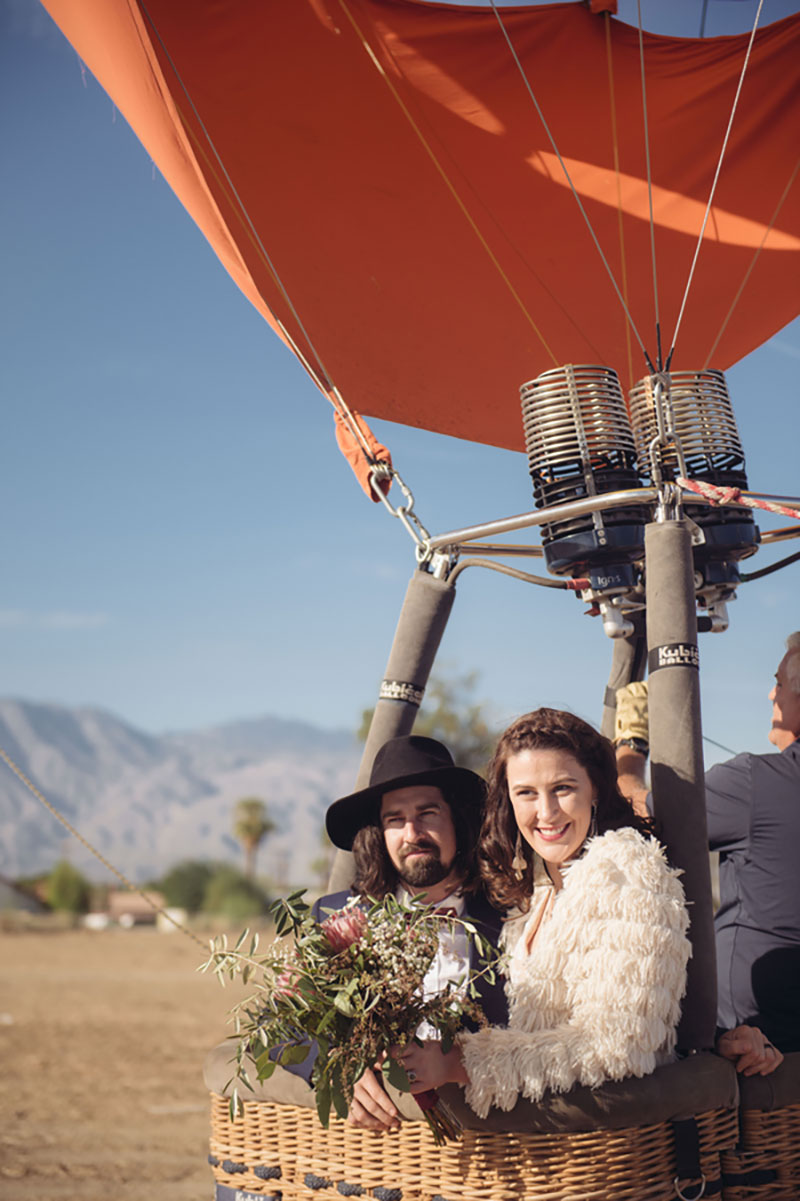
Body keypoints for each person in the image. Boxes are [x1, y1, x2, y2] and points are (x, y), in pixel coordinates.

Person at [394, 708, 691, 1117]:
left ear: (595, 789)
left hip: (612, 1134)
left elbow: (619, 1045)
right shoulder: (529, 885)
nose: (546, 812)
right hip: (541, 1136)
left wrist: (459, 1061)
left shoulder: (628, 873)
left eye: (562, 788)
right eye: (527, 793)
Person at [615, 632, 800, 1060]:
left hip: (751, 1052)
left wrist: (630, 748)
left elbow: (638, 814)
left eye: (779, 683)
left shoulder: (756, 782)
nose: (771, 694)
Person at [314, 733, 508, 1130]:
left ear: (458, 820)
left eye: (428, 813)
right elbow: (287, 1032)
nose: (411, 833)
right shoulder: (338, 918)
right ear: (379, 834)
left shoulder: (514, 918)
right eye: (394, 820)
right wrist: (339, 1065)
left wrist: (463, 1062)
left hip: (496, 1145)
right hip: (380, 1151)